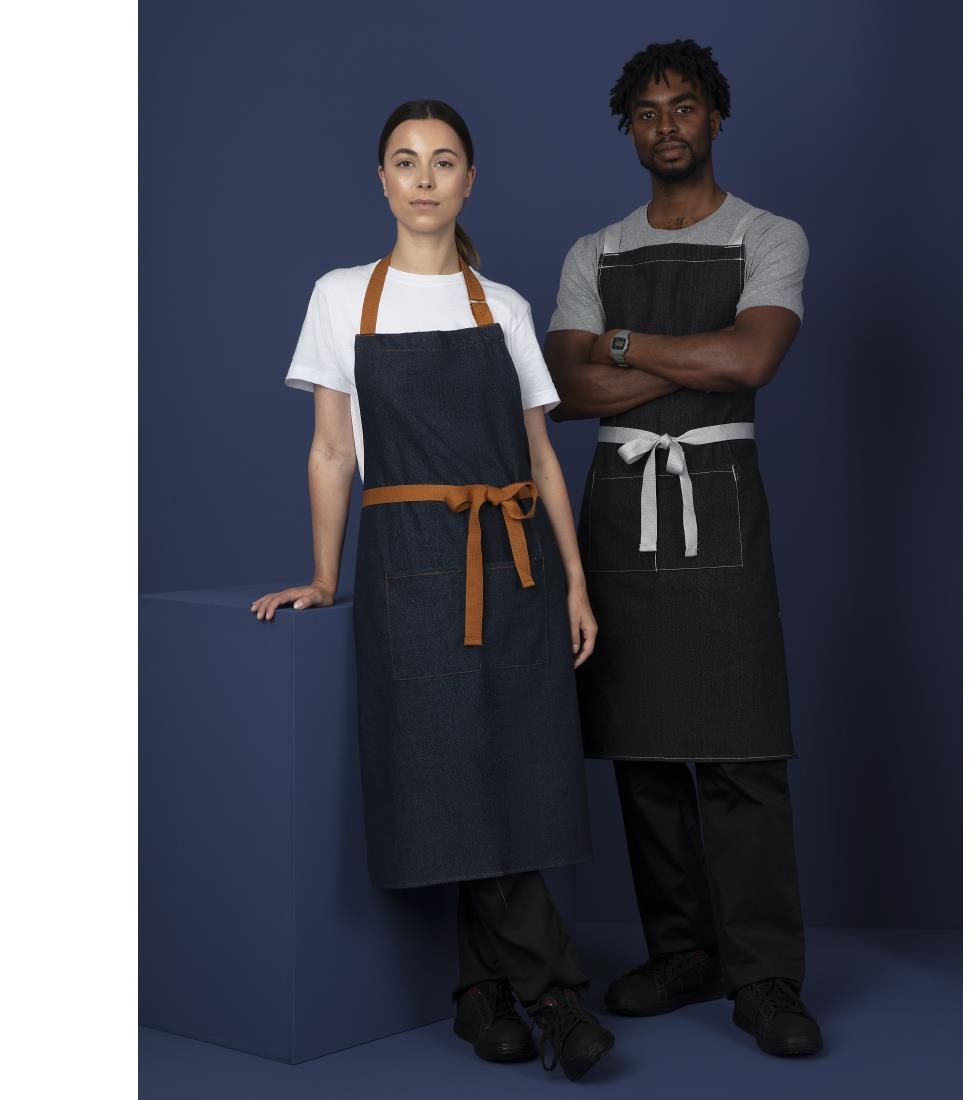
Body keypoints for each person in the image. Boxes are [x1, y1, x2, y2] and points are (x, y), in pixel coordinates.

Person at [251, 100, 614, 1082]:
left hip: (517, 565)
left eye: (442, 161)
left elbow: (540, 459)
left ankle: (479, 995)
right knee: (450, 766)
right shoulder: (341, 298)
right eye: (405, 161)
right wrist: (325, 574)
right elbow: (332, 450)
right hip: (409, 564)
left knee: (511, 768)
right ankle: (557, 995)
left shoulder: (503, 306)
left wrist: (576, 583)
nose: (423, 177)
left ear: (468, 181)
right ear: (381, 181)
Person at [545, 40, 824, 1057]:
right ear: (629, 129)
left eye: (685, 106)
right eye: (648, 111)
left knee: (742, 747)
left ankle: (765, 976)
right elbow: (563, 391)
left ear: (715, 116)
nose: (667, 125)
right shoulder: (594, 252)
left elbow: (752, 357)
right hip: (619, 512)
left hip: (718, 504)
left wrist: (619, 345)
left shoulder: (767, 234)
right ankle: (681, 951)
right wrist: (693, 362)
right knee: (644, 750)